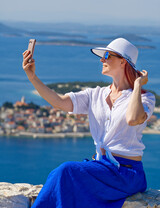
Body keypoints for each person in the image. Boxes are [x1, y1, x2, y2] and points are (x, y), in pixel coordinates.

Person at [22, 37, 155, 208]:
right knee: (58, 175)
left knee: (66, 171)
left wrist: (137, 86)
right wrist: (32, 76)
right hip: (101, 168)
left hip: (127, 173)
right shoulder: (96, 94)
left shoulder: (145, 97)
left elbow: (133, 118)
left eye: (107, 55)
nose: (102, 59)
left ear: (123, 62)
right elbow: (60, 102)